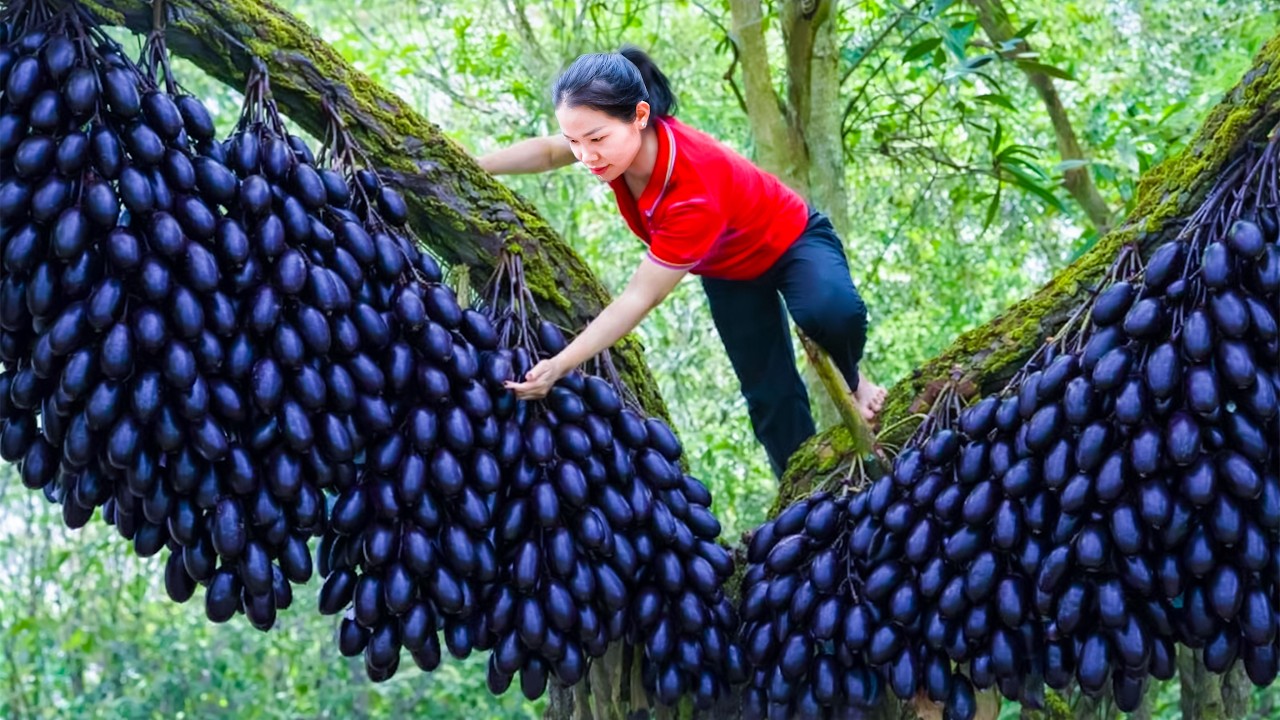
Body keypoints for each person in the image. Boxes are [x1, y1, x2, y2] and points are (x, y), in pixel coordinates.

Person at [476, 46, 885, 478]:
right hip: (728, 271)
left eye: (595, 140)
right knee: (769, 396)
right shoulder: (610, 144)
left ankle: (855, 382)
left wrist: (560, 364)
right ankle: (807, 485)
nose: (586, 156)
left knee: (830, 310)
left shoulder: (691, 188)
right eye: (576, 141)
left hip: (790, 240)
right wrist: (473, 164)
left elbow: (639, 297)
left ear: (638, 115)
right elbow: (547, 152)